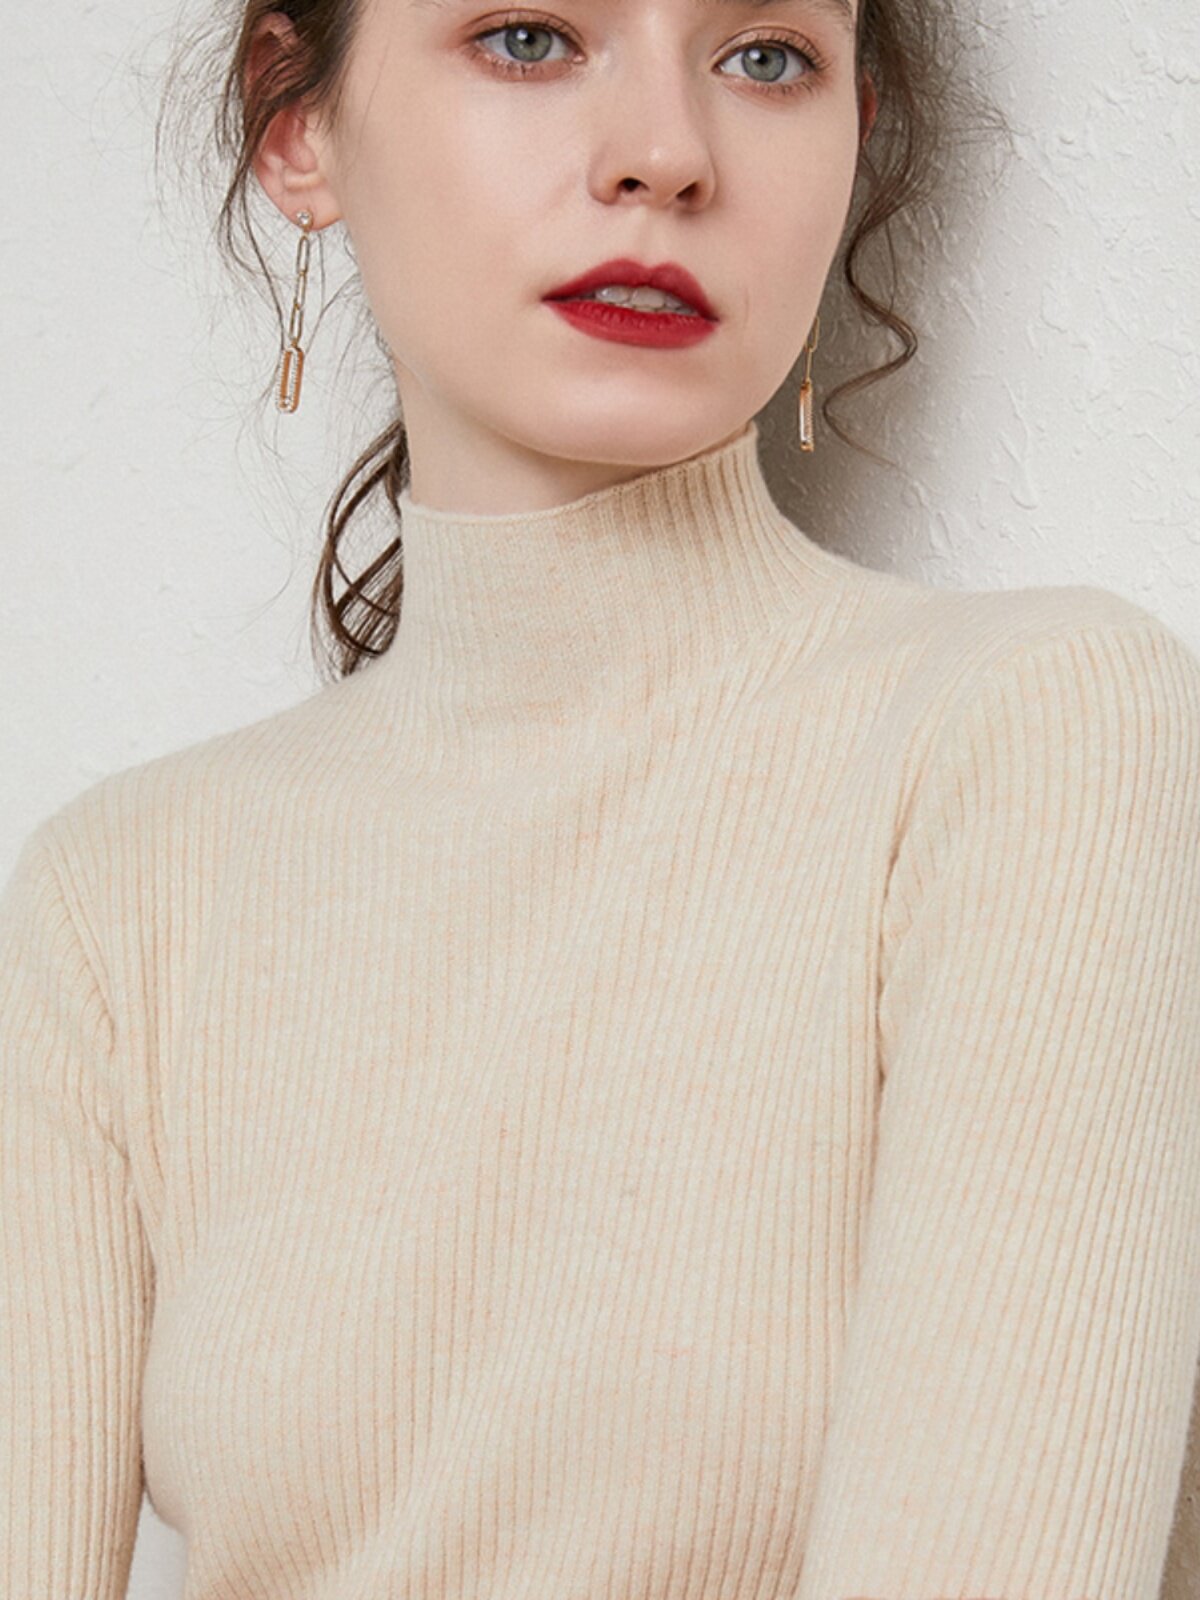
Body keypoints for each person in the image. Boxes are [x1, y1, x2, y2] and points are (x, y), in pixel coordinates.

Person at [3, 1, 1200, 1597]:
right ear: (298, 123)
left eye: (767, 57)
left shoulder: (1031, 734)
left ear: (854, 138)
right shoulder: (114, 903)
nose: (664, 155)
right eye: (529, 37)